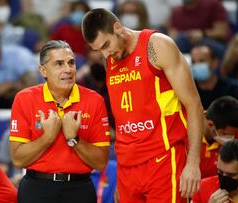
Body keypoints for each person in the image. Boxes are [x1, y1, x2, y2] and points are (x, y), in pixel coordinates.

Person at [82, 8, 204, 202]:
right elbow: (124, 119)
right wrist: (121, 175)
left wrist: (193, 163)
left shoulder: (157, 46)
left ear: (117, 28)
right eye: (99, 50)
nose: (106, 53)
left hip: (163, 160)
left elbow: (194, 105)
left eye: (106, 44)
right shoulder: (110, 58)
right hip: (128, 167)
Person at [9, 40, 111, 203]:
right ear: (43, 70)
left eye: (71, 63)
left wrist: (74, 139)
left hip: (79, 190)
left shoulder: (94, 101)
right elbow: (18, 159)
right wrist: (47, 137)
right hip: (37, 189)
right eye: (59, 64)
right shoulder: (24, 99)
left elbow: (100, 163)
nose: (68, 69)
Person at [199, 96, 238, 179]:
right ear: (210, 124)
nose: (232, 138)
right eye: (227, 134)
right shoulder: (183, 131)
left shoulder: (233, 129)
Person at [190, 44, 238, 109]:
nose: (197, 65)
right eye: (193, 62)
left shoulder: (231, 89)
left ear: (215, 63)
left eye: (202, 61)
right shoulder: (189, 91)